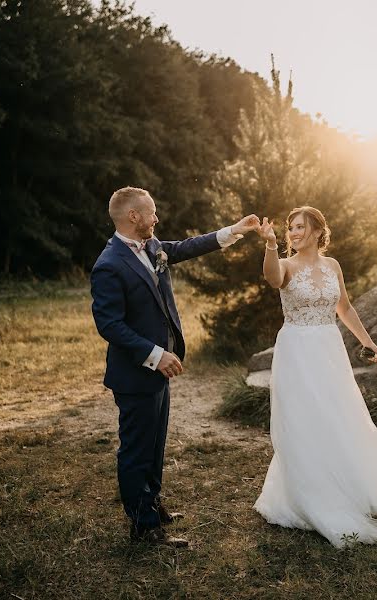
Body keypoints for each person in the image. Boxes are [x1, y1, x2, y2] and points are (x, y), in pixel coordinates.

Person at [90, 186, 259, 547]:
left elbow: (186, 246)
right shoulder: (108, 265)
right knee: (136, 449)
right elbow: (109, 325)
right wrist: (155, 354)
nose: (156, 218)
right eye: (151, 212)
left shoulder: (152, 247)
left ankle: (151, 503)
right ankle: (144, 527)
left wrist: (235, 230)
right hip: (137, 372)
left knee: (155, 444)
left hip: (159, 371)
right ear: (133, 216)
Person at [253, 206, 377, 548]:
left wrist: (370, 345)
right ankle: (308, 498)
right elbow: (271, 278)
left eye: (300, 226)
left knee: (339, 417)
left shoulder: (332, 266)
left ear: (316, 230)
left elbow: (345, 308)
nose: (293, 232)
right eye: (290, 228)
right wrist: (269, 245)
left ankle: (345, 491)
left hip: (329, 349)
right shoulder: (285, 265)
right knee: (302, 422)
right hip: (297, 350)